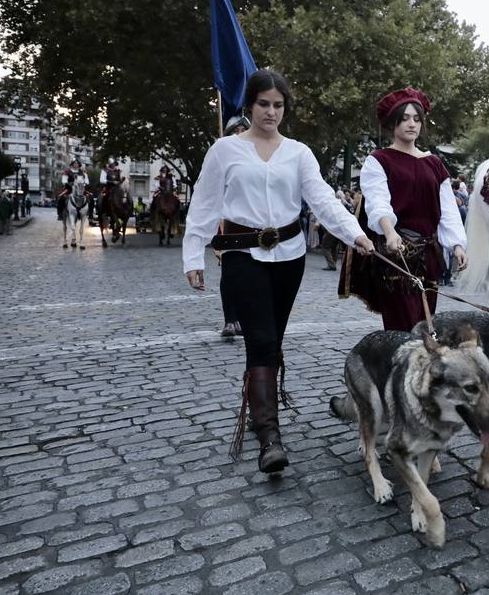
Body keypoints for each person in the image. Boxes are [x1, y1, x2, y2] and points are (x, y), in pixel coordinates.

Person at [184, 68, 372, 474]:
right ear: (250, 105)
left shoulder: (299, 153)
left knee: (273, 338)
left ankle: (259, 409)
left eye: (278, 105)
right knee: (261, 339)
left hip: (288, 259)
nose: (271, 112)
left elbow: (321, 199)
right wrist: (193, 254)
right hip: (241, 256)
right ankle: (270, 436)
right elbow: (204, 202)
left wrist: (355, 234)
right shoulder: (224, 151)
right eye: (264, 104)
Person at [344, 87, 468, 331]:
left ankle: (418, 370)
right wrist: (390, 232)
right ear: (393, 123)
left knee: (424, 327)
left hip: (429, 257)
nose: (411, 124)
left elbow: (447, 210)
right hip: (396, 254)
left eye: (416, 119)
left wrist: (457, 245)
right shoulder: (379, 160)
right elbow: (378, 201)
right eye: (404, 118)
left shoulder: (434, 164)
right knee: (402, 328)